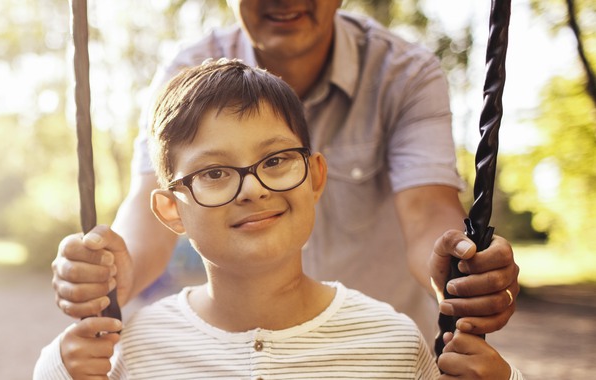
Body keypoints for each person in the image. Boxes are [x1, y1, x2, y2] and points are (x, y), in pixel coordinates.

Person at [51, 0, 520, 342]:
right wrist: (117, 269)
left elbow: (427, 211)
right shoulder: (188, 74)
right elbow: (152, 197)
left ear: (317, 173)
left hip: (372, 349)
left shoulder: (405, 74)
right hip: (240, 344)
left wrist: (455, 272)